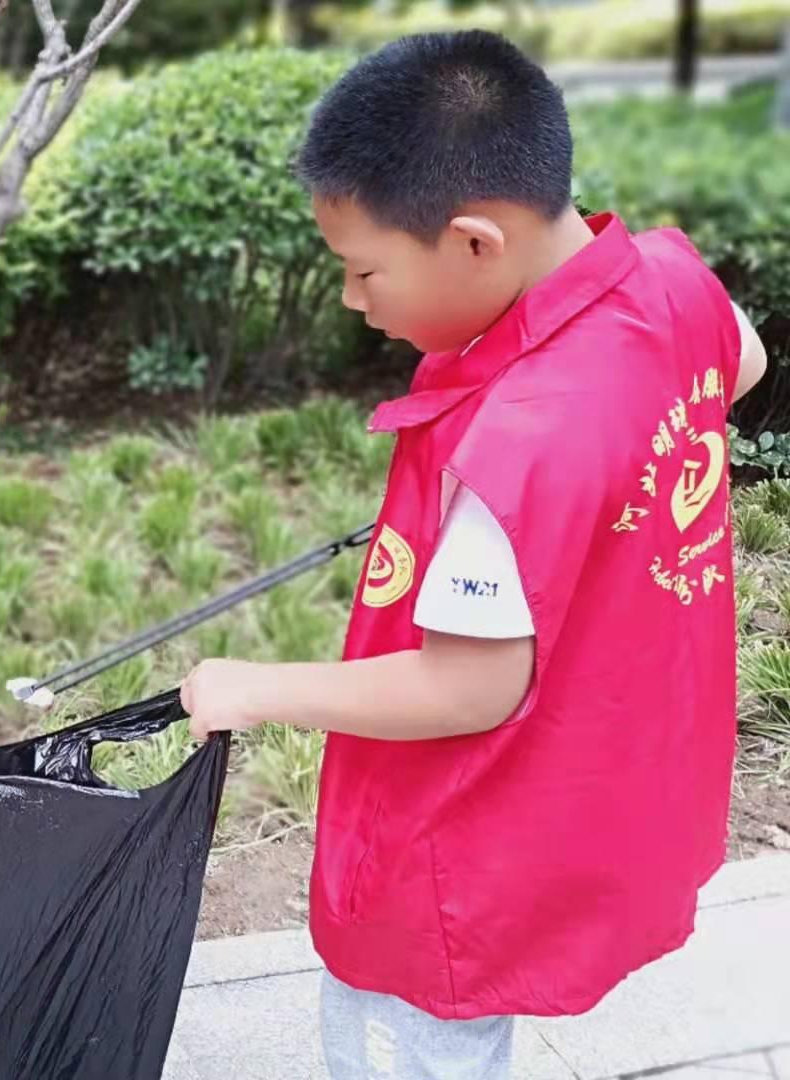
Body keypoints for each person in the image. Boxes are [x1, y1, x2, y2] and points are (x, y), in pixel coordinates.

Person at [179, 30, 768, 1079]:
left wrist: (254, 686)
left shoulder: (526, 438)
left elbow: (467, 687)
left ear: (475, 242)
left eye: (364, 272)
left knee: (419, 1041)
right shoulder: (673, 281)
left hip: (470, 845)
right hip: (608, 777)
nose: (357, 302)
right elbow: (744, 355)